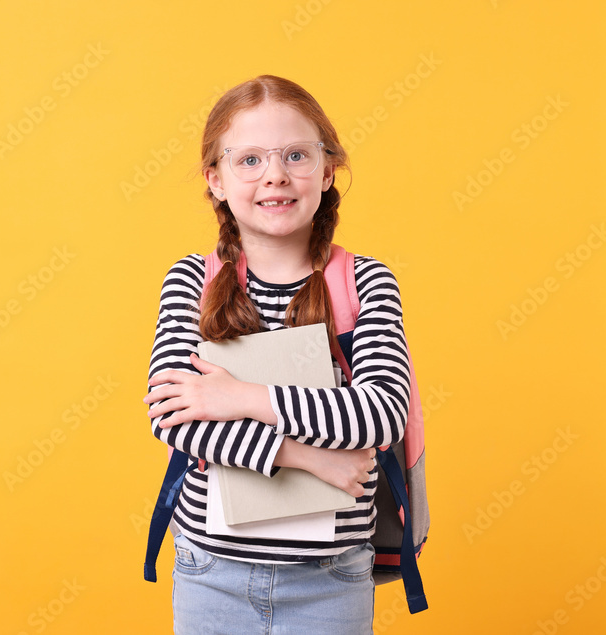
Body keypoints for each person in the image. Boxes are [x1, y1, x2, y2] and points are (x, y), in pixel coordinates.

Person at [143, 75, 412, 634]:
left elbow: (382, 413)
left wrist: (238, 397)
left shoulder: (366, 282)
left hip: (331, 577)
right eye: (249, 160)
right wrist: (308, 456)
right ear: (215, 179)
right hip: (210, 571)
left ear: (327, 169)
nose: (275, 175)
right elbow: (175, 417)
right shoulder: (192, 280)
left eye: (296, 155)